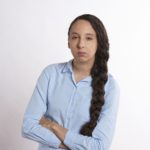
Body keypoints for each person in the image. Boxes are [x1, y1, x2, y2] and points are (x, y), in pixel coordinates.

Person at [22, 14, 120, 150]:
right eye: (75, 37)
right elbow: (28, 127)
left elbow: (99, 146)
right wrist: (68, 144)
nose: (81, 44)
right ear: (68, 42)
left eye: (89, 38)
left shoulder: (110, 87)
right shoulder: (50, 74)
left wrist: (53, 126)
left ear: (99, 42)